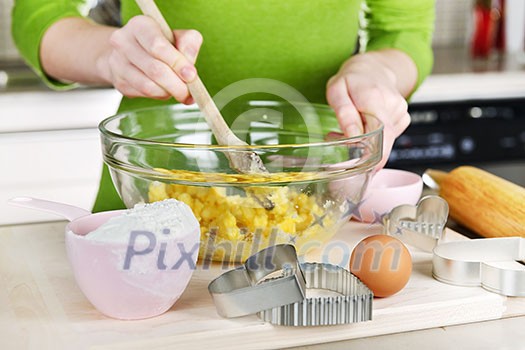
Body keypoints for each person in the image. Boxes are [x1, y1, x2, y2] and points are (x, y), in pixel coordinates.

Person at [12, 0, 435, 212]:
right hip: (143, 209)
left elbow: (404, 33)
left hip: (317, 205)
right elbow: (38, 15)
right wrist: (109, 54)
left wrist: (377, 72)